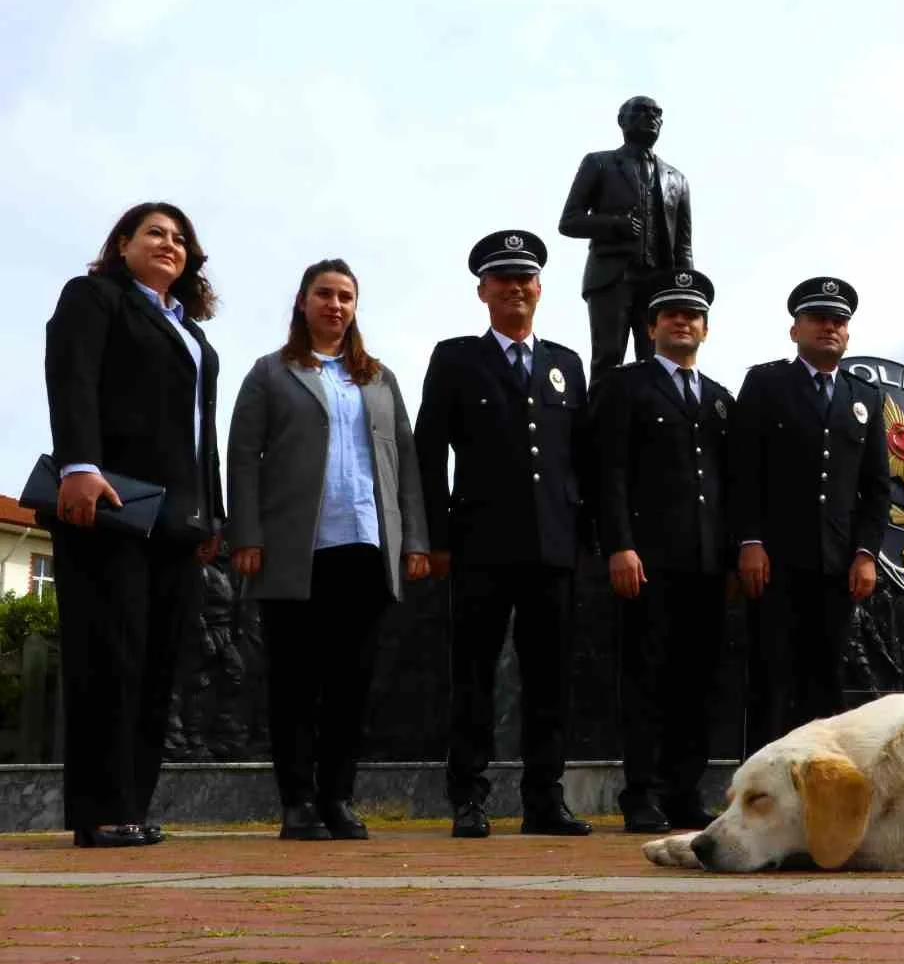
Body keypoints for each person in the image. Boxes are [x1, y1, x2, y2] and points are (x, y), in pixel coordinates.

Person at [226, 258, 431, 840]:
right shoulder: (271, 373)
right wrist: (246, 534)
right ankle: (296, 803)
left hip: (365, 548)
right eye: (324, 294)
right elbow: (242, 456)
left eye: (345, 296)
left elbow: (407, 463)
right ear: (302, 302)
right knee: (294, 682)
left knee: (350, 682)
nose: (334, 305)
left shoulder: (377, 378)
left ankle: (337, 797)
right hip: (296, 550)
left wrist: (414, 539)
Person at [43, 201, 225, 848]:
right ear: (123, 244)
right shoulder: (94, 298)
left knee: (156, 663)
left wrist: (213, 512)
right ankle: (101, 810)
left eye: (180, 238)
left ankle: (132, 805)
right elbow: (73, 378)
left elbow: (204, 433)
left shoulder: (194, 336)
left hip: (177, 519)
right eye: (155, 232)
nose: (169, 243)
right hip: (110, 504)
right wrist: (79, 465)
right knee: (109, 656)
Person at [413, 231, 592, 838]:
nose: (516, 288)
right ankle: (469, 795)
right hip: (480, 543)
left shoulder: (566, 363)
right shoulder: (457, 358)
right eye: (503, 279)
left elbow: (581, 458)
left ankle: (545, 797)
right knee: (474, 674)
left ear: (540, 289)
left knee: (550, 679)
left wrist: (584, 539)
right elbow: (428, 453)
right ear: (483, 291)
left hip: (553, 545)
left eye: (527, 279)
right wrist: (435, 539)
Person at [589, 269, 733, 833]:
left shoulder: (720, 399)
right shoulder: (626, 387)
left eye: (692, 314)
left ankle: (684, 790)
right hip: (648, 560)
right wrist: (619, 544)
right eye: (671, 313)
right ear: (651, 326)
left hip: (705, 561)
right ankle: (641, 792)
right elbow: (611, 473)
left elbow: (730, 483)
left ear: (705, 327)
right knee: (647, 676)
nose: (682, 321)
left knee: (697, 680)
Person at [730, 277, 890, 756]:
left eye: (839, 321)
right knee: (771, 678)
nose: (829, 327)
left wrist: (866, 554)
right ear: (794, 329)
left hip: (836, 564)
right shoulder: (766, 383)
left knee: (825, 684)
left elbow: (876, 486)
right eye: (818, 318)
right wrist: (750, 541)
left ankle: (816, 793)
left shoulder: (865, 397)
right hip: (776, 561)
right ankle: (758, 794)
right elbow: (743, 470)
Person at [558, 95, 693, 374]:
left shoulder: (676, 179)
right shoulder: (599, 163)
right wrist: (614, 224)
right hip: (611, 277)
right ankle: (601, 417)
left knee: (658, 364)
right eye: (642, 111)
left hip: (658, 284)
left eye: (657, 113)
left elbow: (683, 246)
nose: (651, 118)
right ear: (622, 120)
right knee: (608, 358)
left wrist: (686, 291)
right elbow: (569, 222)